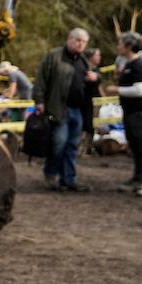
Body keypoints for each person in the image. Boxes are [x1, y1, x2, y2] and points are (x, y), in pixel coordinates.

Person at [33, 28, 98, 192]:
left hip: (78, 110)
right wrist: (39, 101)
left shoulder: (83, 61)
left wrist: (96, 79)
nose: (81, 44)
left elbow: (92, 82)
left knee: (72, 145)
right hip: (58, 108)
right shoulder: (53, 56)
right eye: (78, 40)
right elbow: (41, 80)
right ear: (69, 39)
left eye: (84, 42)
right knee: (58, 143)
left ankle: (68, 179)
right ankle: (51, 175)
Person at [106, 32, 142, 197]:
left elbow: (140, 90)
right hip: (131, 112)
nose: (118, 46)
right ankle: (139, 179)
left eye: (120, 43)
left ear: (129, 46)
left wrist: (116, 90)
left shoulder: (139, 64)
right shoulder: (128, 64)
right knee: (136, 147)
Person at [80, 47, 102, 154]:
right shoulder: (82, 68)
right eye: (97, 55)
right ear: (91, 57)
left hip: (95, 102)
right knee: (85, 125)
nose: (99, 58)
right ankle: (82, 148)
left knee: (93, 125)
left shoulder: (96, 69)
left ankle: (89, 147)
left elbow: (99, 83)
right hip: (83, 102)